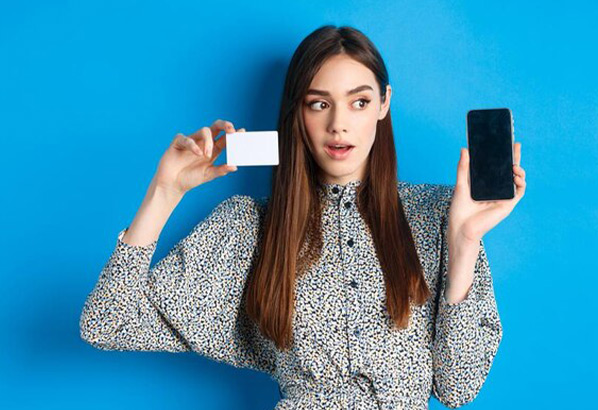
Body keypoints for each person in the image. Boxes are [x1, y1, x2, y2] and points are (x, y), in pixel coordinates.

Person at [79, 25, 526, 410]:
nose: (339, 125)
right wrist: (163, 193)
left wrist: (464, 241)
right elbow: (107, 323)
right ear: (297, 112)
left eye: (359, 102)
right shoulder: (249, 229)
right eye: (318, 103)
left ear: (384, 104)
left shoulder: (438, 217)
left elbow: (458, 386)